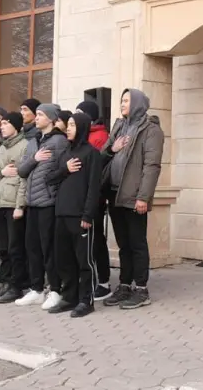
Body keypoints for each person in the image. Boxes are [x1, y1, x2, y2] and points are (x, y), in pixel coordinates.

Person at [101, 89, 164, 310]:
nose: (122, 103)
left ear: (137, 103)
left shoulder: (151, 130)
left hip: (135, 197)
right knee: (123, 244)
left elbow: (152, 166)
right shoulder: (119, 126)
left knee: (137, 243)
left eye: (126, 100)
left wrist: (143, 197)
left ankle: (141, 289)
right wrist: (112, 147)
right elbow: (104, 154)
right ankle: (125, 285)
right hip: (115, 194)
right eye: (121, 100)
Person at [49, 111, 104, 317]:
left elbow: (93, 188)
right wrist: (66, 169)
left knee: (84, 261)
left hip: (80, 216)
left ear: (81, 127)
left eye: (72, 124)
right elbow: (50, 178)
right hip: (61, 214)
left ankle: (85, 300)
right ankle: (70, 297)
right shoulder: (65, 153)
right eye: (68, 124)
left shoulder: (91, 154)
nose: (68, 128)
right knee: (64, 260)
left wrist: (88, 216)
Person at [15, 103, 69, 309]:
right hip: (32, 203)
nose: (36, 118)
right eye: (36, 114)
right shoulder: (33, 141)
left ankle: (55, 289)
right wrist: (35, 159)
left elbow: (62, 171)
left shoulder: (59, 141)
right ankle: (36, 289)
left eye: (40, 114)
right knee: (33, 248)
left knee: (49, 249)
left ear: (52, 118)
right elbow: (21, 170)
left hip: (49, 203)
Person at [0, 111, 29, 304]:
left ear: (16, 126)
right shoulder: (3, 148)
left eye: (6, 123)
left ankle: (17, 285)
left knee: (15, 248)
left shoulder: (24, 146)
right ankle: (6, 282)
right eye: (1, 123)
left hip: (14, 204)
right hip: (0, 201)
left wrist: (20, 205)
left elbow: (24, 178)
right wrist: (2, 172)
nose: (2, 126)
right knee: (3, 247)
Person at [77, 100, 112, 301]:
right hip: (81, 196)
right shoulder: (84, 136)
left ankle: (104, 282)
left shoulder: (100, 137)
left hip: (95, 197)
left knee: (97, 239)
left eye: (80, 113)